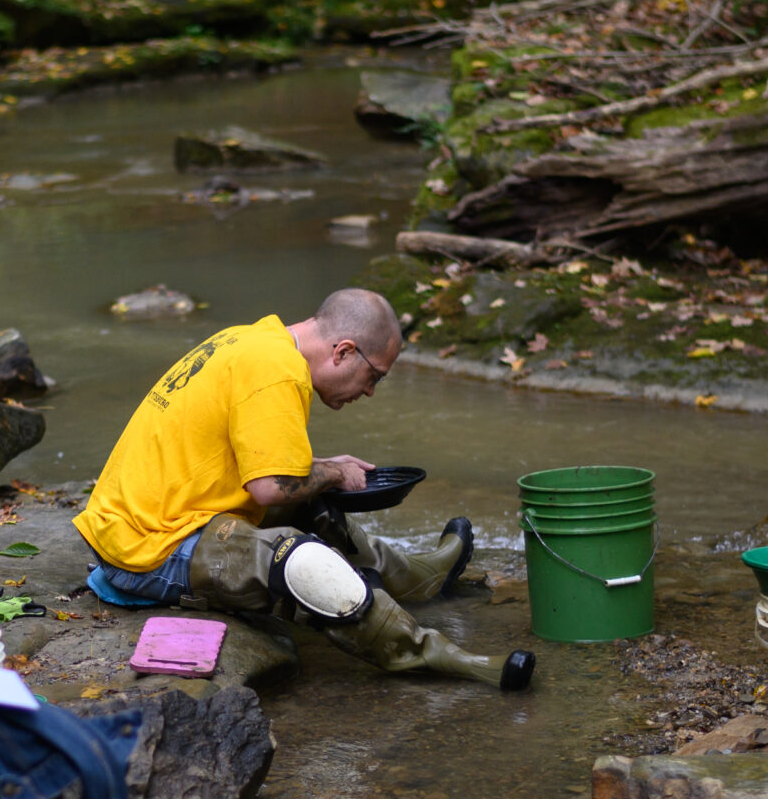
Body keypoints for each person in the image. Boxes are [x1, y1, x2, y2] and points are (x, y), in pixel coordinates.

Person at [73, 288, 536, 691]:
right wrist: (335, 473)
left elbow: (254, 462)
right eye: (374, 376)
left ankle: (416, 577)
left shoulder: (254, 341)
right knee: (299, 560)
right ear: (344, 352)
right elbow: (270, 488)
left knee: (313, 499)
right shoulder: (277, 370)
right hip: (148, 547)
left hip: (156, 518)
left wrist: (326, 469)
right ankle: (429, 653)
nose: (370, 392)